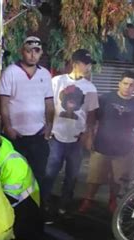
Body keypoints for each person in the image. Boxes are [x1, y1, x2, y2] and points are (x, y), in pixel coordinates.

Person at [78, 71, 134, 214]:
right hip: (102, 145)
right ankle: (88, 200)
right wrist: (89, 136)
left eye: (131, 85)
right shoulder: (105, 99)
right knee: (94, 177)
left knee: (118, 179)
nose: (128, 87)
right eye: (125, 84)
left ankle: (112, 200)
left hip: (124, 148)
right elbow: (93, 118)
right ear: (119, 84)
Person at [42, 49, 99, 215]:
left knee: (72, 175)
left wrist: (88, 135)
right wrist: (48, 127)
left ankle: (64, 204)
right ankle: (43, 202)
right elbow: (48, 105)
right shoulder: (57, 81)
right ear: (75, 64)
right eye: (85, 63)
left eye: (89, 64)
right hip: (56, 136)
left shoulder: (90, 88)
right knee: (50, 173)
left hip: (76, 138)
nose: (88, 67)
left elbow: (91, 114)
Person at [0, 36, 55, 191]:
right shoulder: (10, 72)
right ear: (22, 51)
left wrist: (49, 126)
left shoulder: (45, 74)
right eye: (29, 51)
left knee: (39, 177)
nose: (32, 55)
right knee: (16, 176)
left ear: (41, 52)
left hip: (38, 135)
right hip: (16, 137)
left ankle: (38, 210)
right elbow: (3, 104)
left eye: (36, 51)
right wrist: (8, 127)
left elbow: (49, 103)